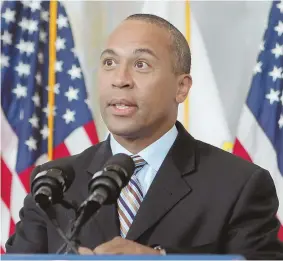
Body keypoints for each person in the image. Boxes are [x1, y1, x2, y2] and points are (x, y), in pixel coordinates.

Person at [5, 14, 283, 259]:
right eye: (110, 62)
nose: (120, 79)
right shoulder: (55, 182)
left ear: (181, 88)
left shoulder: (239, 184)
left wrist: (160, 260)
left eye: (141, 65)